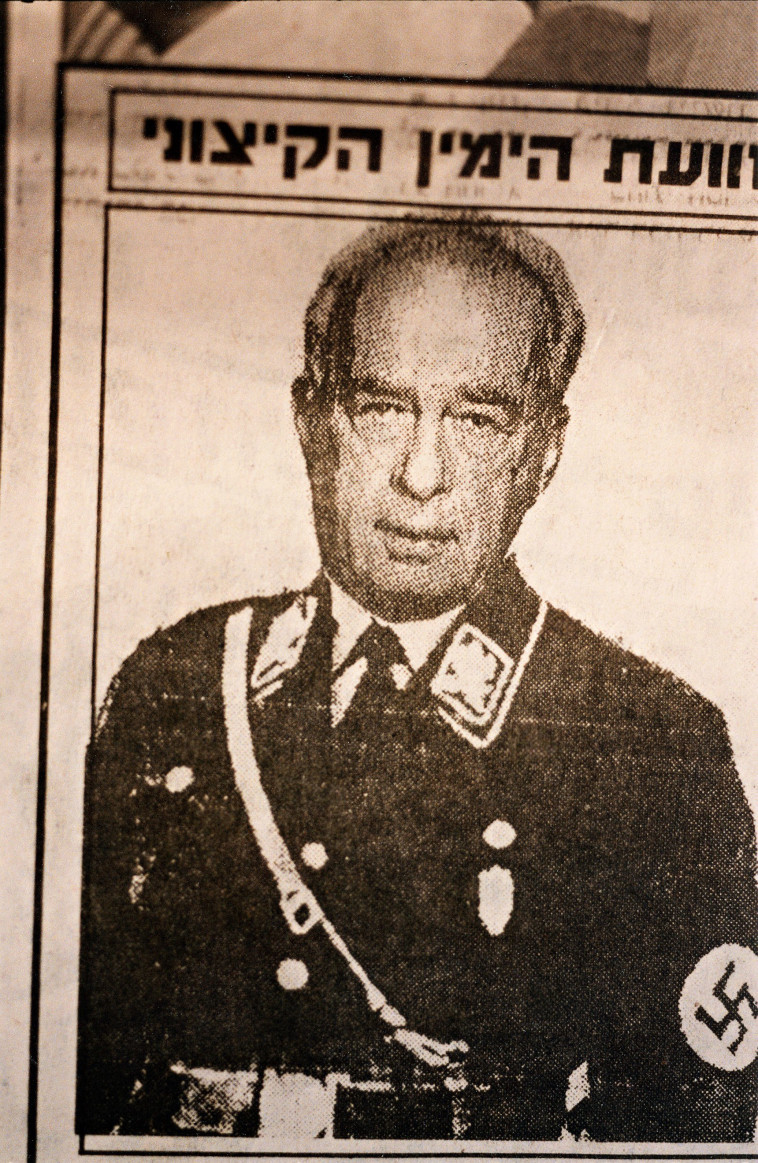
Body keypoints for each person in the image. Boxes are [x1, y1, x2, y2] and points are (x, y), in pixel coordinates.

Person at [77, 218, 758, 1142]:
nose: (422, 474)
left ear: (542, 452)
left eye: (477, 419)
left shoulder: (648, 739)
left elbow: (698, 1124)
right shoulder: (182, 683)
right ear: (313, 426)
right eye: (382, 408)